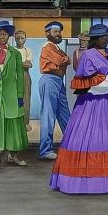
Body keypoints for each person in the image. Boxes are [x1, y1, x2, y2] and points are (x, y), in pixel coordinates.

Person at [51, 23, 108, 194]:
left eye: (107, 36)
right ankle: (87, 180)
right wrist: (106, 83)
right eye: (102, 36)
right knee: (91, 137)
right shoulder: (88, 55)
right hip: (92, 105)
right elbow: (83, 80)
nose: (106, 38)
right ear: (95, 39)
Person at [0, 20, 29, 169]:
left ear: (9, 36)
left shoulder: (15, 53)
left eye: (5, 34)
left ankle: (13, 155)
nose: (2, 36)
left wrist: (20, 95)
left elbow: (20, 75)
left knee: (13, 123)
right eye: (0, 34)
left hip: (11, 94)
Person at [36, 21, 71, 161]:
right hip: (49, 79)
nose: (58, 34)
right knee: (48, 115)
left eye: (59, 31)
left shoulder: (56, 47)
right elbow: (62, 59)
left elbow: (66, 60)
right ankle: (45, 150)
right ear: (47, 33)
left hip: (58, 80)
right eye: (55, 31)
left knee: (64, 114)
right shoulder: (47, 46)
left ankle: (72, 145)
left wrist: (66, 60)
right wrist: (65, 59)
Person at [14, 29, 33, 117]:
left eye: (22, 38)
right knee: (14, 98)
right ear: (15, 39)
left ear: (25, 39)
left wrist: (17, 63)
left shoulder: (27, 50)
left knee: (26, 99)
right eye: (18, 38)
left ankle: (25, 122)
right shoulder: (12, 50)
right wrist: (23, 63)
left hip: (25, 75)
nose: (20, 41)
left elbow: (29, 64)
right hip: (14, 76)